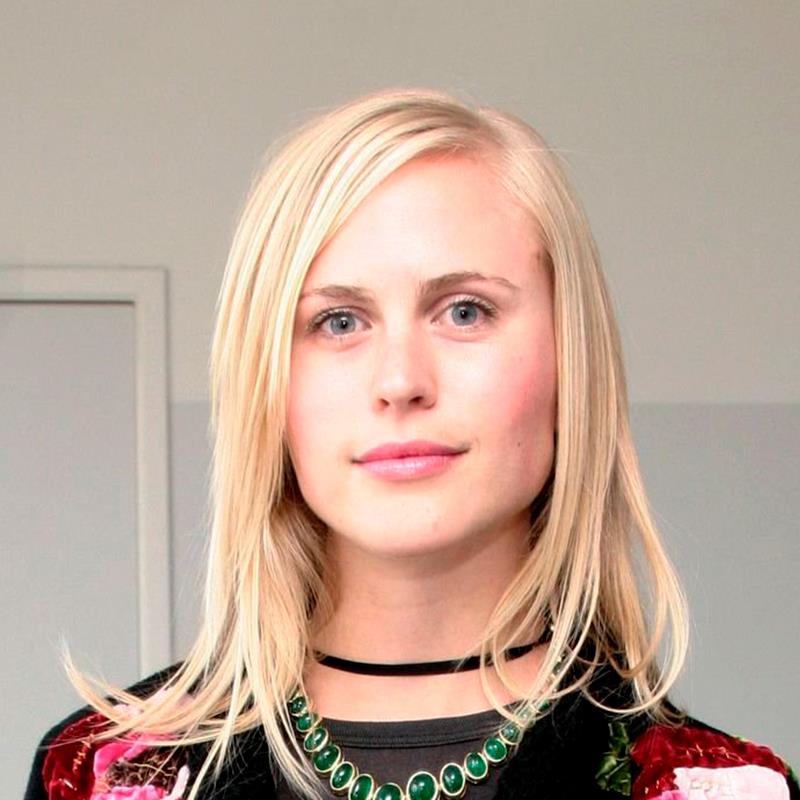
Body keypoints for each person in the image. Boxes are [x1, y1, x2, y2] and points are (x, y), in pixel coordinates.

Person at [25, 88, 797, 800]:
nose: (400, 381)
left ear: (572, 359)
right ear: (267, 384)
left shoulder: (730, 790)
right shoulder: (93, 777)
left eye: (464, 311)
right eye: (338, 321)